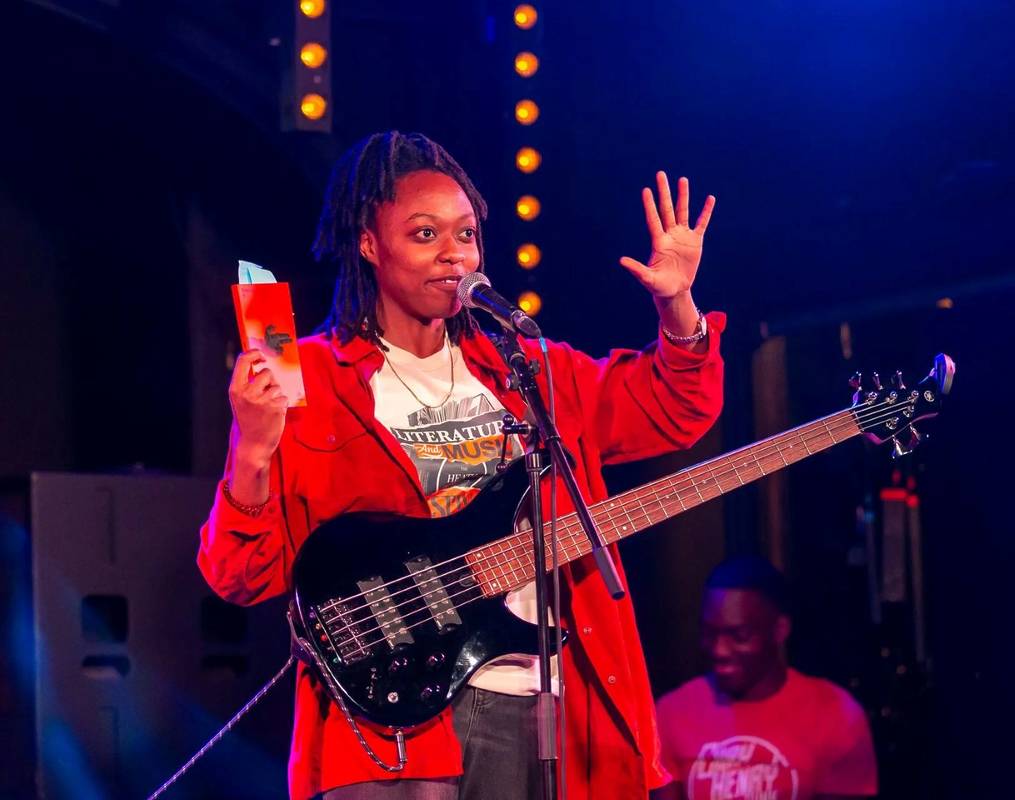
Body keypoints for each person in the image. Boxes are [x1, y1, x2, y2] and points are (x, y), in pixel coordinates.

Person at [197, 131, 723, 799]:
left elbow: (673, 411)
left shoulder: (525, 366)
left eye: (467, 234)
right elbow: (241, 575)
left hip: (548, 700)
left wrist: (678, 306)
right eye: (425, 234)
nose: (455, 254)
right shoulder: (312, 380)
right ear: (368, 242)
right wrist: (250, 449)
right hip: (399, 725)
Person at [653, 557, 877, 800]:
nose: (719, 650)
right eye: (709, 633)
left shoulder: (835, 714)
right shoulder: (672, 712)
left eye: (739, 635)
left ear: (779, 630)